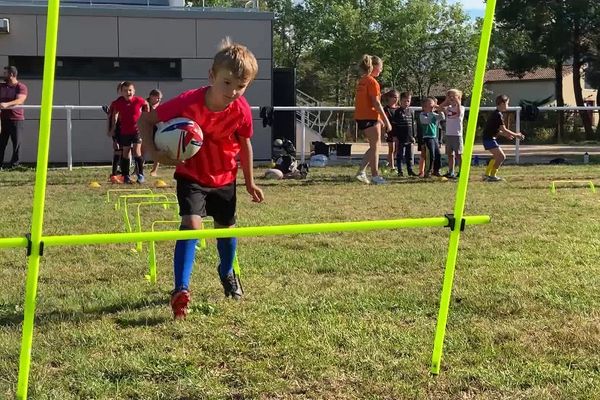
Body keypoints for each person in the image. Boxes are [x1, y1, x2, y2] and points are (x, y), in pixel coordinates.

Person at [138, 38, 264, 320]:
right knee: (191, 224)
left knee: (225, 229)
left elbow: (245, 145)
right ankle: (180, 290)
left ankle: (226, 272)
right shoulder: (189, 101)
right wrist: (156, 152)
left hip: (224, 177)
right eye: (227, 82)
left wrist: (250, 181)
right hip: (192, 175)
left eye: (241, 86)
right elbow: (145, 121)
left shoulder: (242, 109)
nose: (233, 91)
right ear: (212, 76)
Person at [354, 54, 392, 185]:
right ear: (375, 66)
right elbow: (376, 103)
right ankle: (375, 176)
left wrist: (379, 119)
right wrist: (386, 120)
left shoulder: (362, 80)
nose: (381, 70)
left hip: (362, 116)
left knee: (375, 146)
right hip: (369, 116)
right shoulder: (372, 82)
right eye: (381, 67)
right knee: (375, 147)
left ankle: (361, 172)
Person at [109, 81, 148, 184]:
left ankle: (140, 174)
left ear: (134, 91)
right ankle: (125, 175)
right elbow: (115, 114)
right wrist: (113, 127)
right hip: (125, 131)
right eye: (125, 91)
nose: (128, 92)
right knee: (126, 152)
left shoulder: (139, 100)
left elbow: (146, 105)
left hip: (137, 130)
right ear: (121, 92)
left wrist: (146, 116)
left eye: (130, 90)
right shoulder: (118, 102)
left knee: (137, 151)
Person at [482, 94, 525, 181]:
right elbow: (504, 129)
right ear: (502, 104)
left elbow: (496, 130)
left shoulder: (495, 114)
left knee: (496, 157)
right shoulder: (498, 115)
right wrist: (517, 135)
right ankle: (492, 176)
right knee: (501, 157)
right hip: (489, 139)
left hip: (488, 138)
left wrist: (507, 135)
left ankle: (487, 174)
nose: (508, 106)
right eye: (507, 104)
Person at [0, 66, 28, 169]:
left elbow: (20, 100)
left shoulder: (21, 87)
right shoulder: (2, 86)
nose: (3, 75)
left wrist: (6, 104)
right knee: (1, 143)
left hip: (16, 119)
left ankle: (14, 165)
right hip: (3, 119)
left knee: (16, 143)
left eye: (5, 73)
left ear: (11, 74)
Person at [438, 89, 465, 179]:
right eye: (450, 96)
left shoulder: (461, 108)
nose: (452, 98)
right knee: (450, 154)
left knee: (459, 154)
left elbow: (458, 114)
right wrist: (446, 101)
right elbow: (439, 108)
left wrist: (458, 102)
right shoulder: (448, 108)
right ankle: (451, 171)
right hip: (449, 134)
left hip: (457, 134)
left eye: (454, 96)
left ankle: (461, 172)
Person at [418, 97, 444, 178]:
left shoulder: (433, 114)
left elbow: (442, 117)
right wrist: (431, 113)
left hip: (434, 137)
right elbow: (427, 121)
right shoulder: (422, 115)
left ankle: (436, 170)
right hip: (427, 137)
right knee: (430, 155)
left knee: (438, 154)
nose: (433, 106)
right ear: (425, 107)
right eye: (431, 104)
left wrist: (440, 110)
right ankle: (428, 171)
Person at [393, 91, 416, 177]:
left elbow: (413, 125)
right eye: (404, 101)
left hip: (409, 138)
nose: (406, 103)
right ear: (400, 101)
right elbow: (394, 125)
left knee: (409, 156)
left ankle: (410, 171)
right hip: (400, 137)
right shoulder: (397, 112)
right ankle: (400, 171)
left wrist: (413, 136)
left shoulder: (411, 111)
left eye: (408, 101)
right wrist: (395, 136)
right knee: (400, 155)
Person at [106, 81, 125, 183]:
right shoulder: (116, 103)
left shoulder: (133, 102)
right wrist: (111, 131)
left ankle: (123, 173)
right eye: (123, 90)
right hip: (118, 130)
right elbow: (111, 117)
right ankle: (114, 174)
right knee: (118, 150)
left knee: (126, 152)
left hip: (128, 130)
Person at [146, 89, 163, 177]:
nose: (159, 101)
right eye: (157, 99)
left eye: (160, 99)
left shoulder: (159, 106)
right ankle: (137, 170)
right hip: (145, 129)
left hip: (156, 130)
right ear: (151, 97)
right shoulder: (144, 104)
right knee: (141, 150)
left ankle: (154, 170)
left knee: (157, 150)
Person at [382, 90, 399, 172]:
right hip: (390, 131)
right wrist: (384, 131)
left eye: (397, 97)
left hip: (398, 131)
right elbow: (383, 121)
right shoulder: (386, 109)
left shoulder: (398, 109)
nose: (396, 99)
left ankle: (388, 162)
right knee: (391, 149)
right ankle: (392, 167)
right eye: (394, 97)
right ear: (389, 98)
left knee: (397, 149)